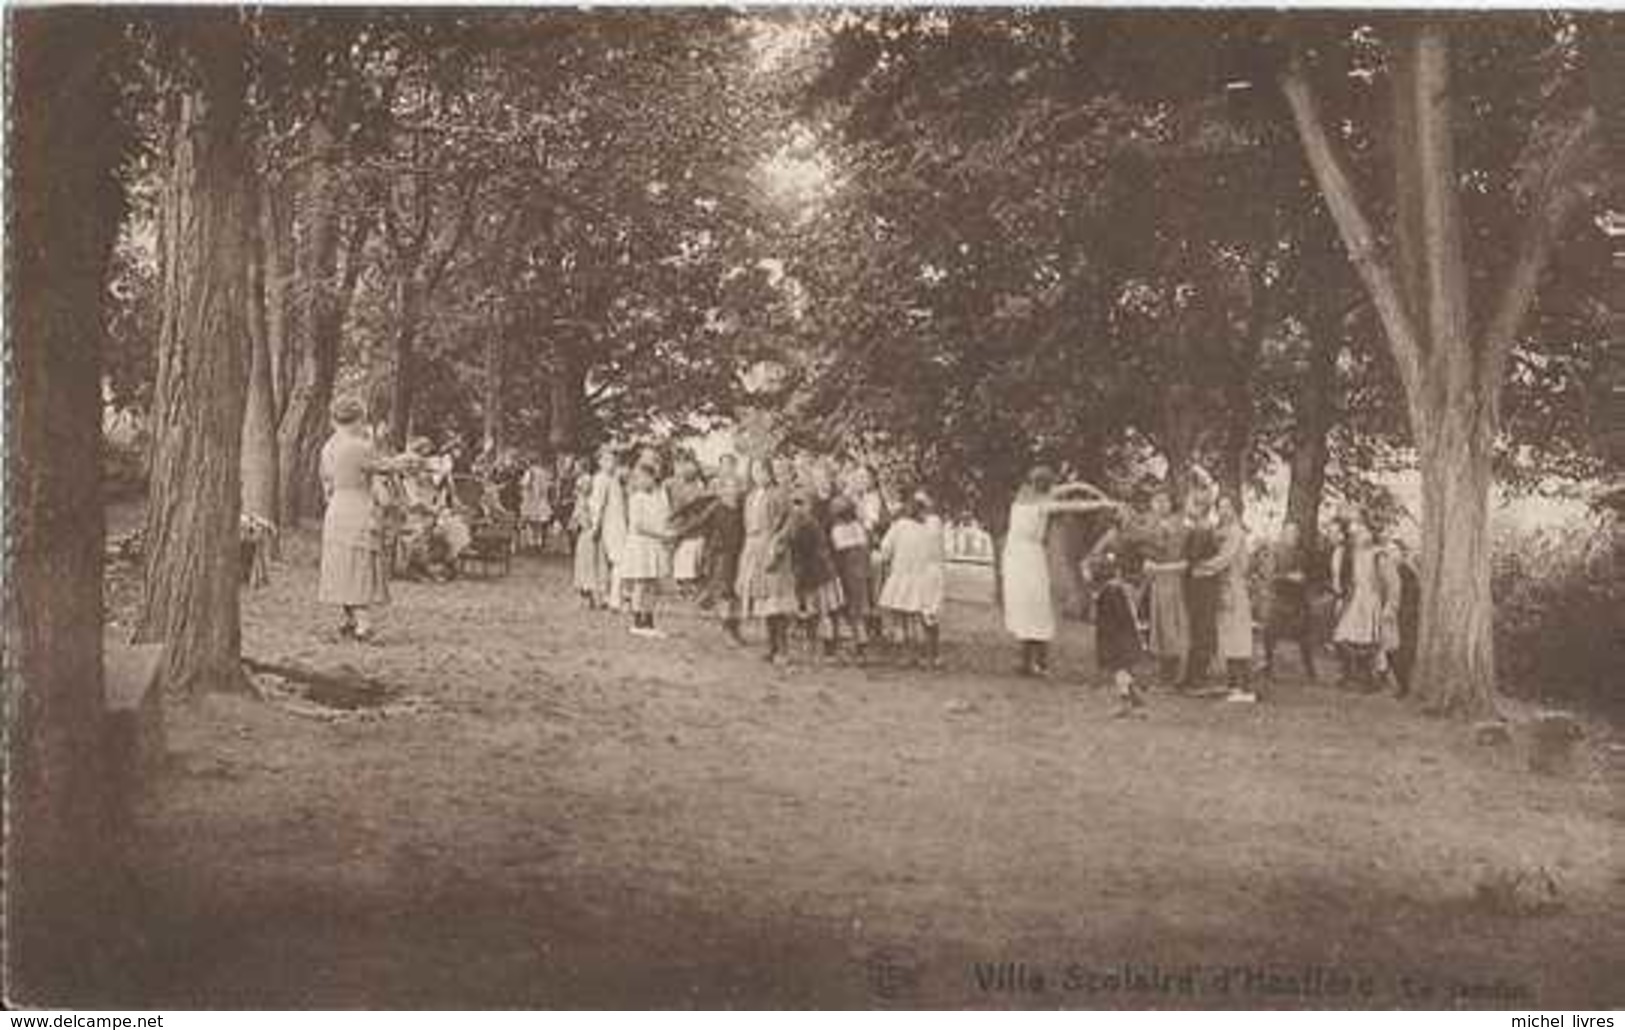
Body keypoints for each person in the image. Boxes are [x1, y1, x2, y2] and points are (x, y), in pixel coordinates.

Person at [1001, 466, 1120, 678]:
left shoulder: (1024, 496)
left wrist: (1091, 490)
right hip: (1027, 556)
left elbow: (1071, 490)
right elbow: (1076, 504)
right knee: (1036, 607)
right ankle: (1037, 663)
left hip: (1017, 556)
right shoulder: (1041, 503)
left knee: (1030, 608)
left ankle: (1030, 662)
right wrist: (1102, 501)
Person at [318, 397, 415, 640]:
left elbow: (326, 484)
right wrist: (408, 460)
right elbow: (384, 466)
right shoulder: (358, 446)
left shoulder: (328, 447)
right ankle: (363, 624)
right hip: (357, 507)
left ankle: (349, 619)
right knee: (358, 564)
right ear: (358, 419)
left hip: (336, 507)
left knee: (342, 564)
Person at [736, 457, 799, 664]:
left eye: (761, 471)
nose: (758, 475)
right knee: (763, 600)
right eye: (754, 471)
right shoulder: (751, 496)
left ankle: (783, 649)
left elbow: (790, 522)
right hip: (754, 547)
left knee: (777, 601)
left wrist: (778, 542)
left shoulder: (779, 494)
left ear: (769, 472)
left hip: (772, 548)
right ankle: (771, 647)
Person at [878, 490, 948, 668]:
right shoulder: (930, 526)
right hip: (924, 576)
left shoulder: (900, 526)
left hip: (904, 576)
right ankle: (932, 656)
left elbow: (885, 550)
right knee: (926, 615)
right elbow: (938, 553)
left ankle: (909, 654)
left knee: (903, 615)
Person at [1202, 494, 1256, 703]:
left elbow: (1224, 559)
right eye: (1220, 507)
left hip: (1234, 587)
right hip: (1223, 588)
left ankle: (1245, 687)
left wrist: (1201, 567)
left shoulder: (1236, 532)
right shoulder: (1221, 531)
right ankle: (1234, 685)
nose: (1223, 511)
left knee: (1239, 637)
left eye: (1227, 507)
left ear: (1235, 509)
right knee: (1228, 637)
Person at [787, 486, 846, 661]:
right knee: (810, 612)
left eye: (801, 503)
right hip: (807, 573)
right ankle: (813, 647)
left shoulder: (809, 524)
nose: (797, 507)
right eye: (794, 504)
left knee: (824, 612)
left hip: (819, 574)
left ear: (809, 505)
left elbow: (808, 553)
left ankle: (829, 650)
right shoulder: (795, 524)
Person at [1139, 489, 1189, 688]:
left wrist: (1159, 565)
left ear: (1170, 504)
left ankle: (1173, 674)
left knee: (1170, 625)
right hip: (1157, 581)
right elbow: (1145, 549)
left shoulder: (1178, 525)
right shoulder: (1151, 525)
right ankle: (1163, 672)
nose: (1160, 505)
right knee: (1158, 625)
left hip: (1172, 579)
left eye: (1164, 501)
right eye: (1156, 502)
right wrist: (1148, 561)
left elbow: (1183, 559)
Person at [621, 460, 674, 638]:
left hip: (654, 545)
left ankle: (649, 621)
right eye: (638, 478)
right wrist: (661, 535)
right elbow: (638, 526)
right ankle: (637, 622)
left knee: (653, 584)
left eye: (645, 477)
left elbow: (664, 519)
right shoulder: (635, 498)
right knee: (641, 583)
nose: (641, 481)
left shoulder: (660, 497)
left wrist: (667, 534)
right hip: (641, 545)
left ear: (653, 478)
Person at [1332, 517, 1384, 690]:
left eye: (1362, 533)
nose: (1359, 537)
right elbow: (1346, 576)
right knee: (1343, 635)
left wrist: (1380, 599)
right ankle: (1351, 674)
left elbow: (1384, 581)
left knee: (1367, 638)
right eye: (1355, 535)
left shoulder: (1377, 554)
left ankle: (1369, 678)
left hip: (1371, 597)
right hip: (1356, 597)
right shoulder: (1353, 554)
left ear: (1370, 534)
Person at [1262, 520, 1316, 681]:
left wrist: (1305, 579)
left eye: (1296, 533)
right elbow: (1269, 576)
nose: (1293, 536)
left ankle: (1310, 670)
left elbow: (1311, 575)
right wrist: (1288, 577)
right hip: (1280, 599)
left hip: (1299, 600)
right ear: (1283, 533)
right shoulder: (1275, 551)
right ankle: (1268, 667)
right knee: (1270, 634)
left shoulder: (1303, 553)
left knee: (1305, 636)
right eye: (1290, 532)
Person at [1093, 552, 1145, 717]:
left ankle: (1127, 701)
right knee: (1123, 670)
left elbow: (1114, 619)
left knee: (1120, 671)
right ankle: (1134, 697)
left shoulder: (1110, 592)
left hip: (1115, 638)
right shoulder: (1119, 590)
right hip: (1123, 637)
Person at [1180, 489, 1222, 692]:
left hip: (1203, 586)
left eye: (1191, 504)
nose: (1187, 507)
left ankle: (1197, 676)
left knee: (1202, 629)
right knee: (1198, 629)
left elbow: (1192, 559)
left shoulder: (1203, 530)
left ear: (1200, 508)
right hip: (1196, 584)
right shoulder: (1198, 528)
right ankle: (1192, 675)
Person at [828, 494, 873, 662]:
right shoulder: (859, 527)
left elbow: (840, 553)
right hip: (860, 573)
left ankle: (857, 646)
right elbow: (864, 548)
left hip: (847, 573)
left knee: (849, 610)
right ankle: (860, 647)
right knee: (857, 611)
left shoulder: (837, 530)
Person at [667, 451, 707, 598]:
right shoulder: (671, 485)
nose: (684, 470)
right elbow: (671, 506)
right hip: (679, 526)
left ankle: (692, 587)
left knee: (693, 559)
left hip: (694, 528)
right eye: (679, 465)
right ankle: (682, 587)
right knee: (680, 559)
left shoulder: (700, 488)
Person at [570, 467, 598, 608]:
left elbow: (576, 521)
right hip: (585, 535)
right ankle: (586, 595)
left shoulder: (588, 502)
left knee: (588, 565)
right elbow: (575, 521)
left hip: (588, 535)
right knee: (585, 565)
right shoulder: (583, 501)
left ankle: (589, 594)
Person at [520, 452, 554, 554]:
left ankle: (533, 544)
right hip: (542, 499)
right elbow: (548, 486)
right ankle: (539, 543)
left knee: (531, 523)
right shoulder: (544, 472)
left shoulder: (530, 472)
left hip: (532, 500)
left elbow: (525, 484)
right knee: (540, 524)